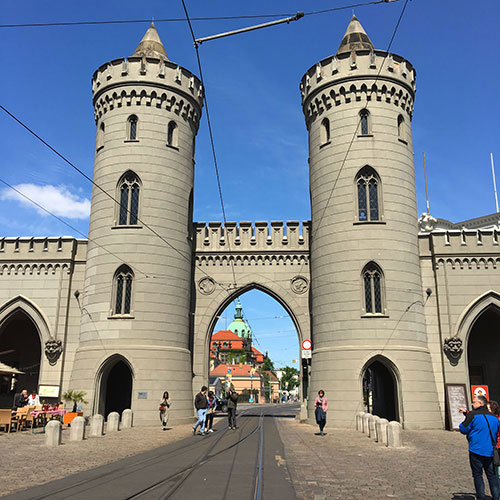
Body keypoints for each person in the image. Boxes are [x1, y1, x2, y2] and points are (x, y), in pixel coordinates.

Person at [459, 395, 500, 500]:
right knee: (492, 476)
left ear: (481, 404)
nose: (473, 404)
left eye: (474, 402)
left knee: (478, 475)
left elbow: (463, 429)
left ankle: (481, 497)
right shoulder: (495, 418)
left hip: (476, 450)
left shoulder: (473, 415)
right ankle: (496, 497)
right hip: (490, 451)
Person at [488, 400, 500, 479]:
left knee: (497, 468)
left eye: (488, 409)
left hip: (497, 446)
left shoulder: (496, 420)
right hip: (495, 445)